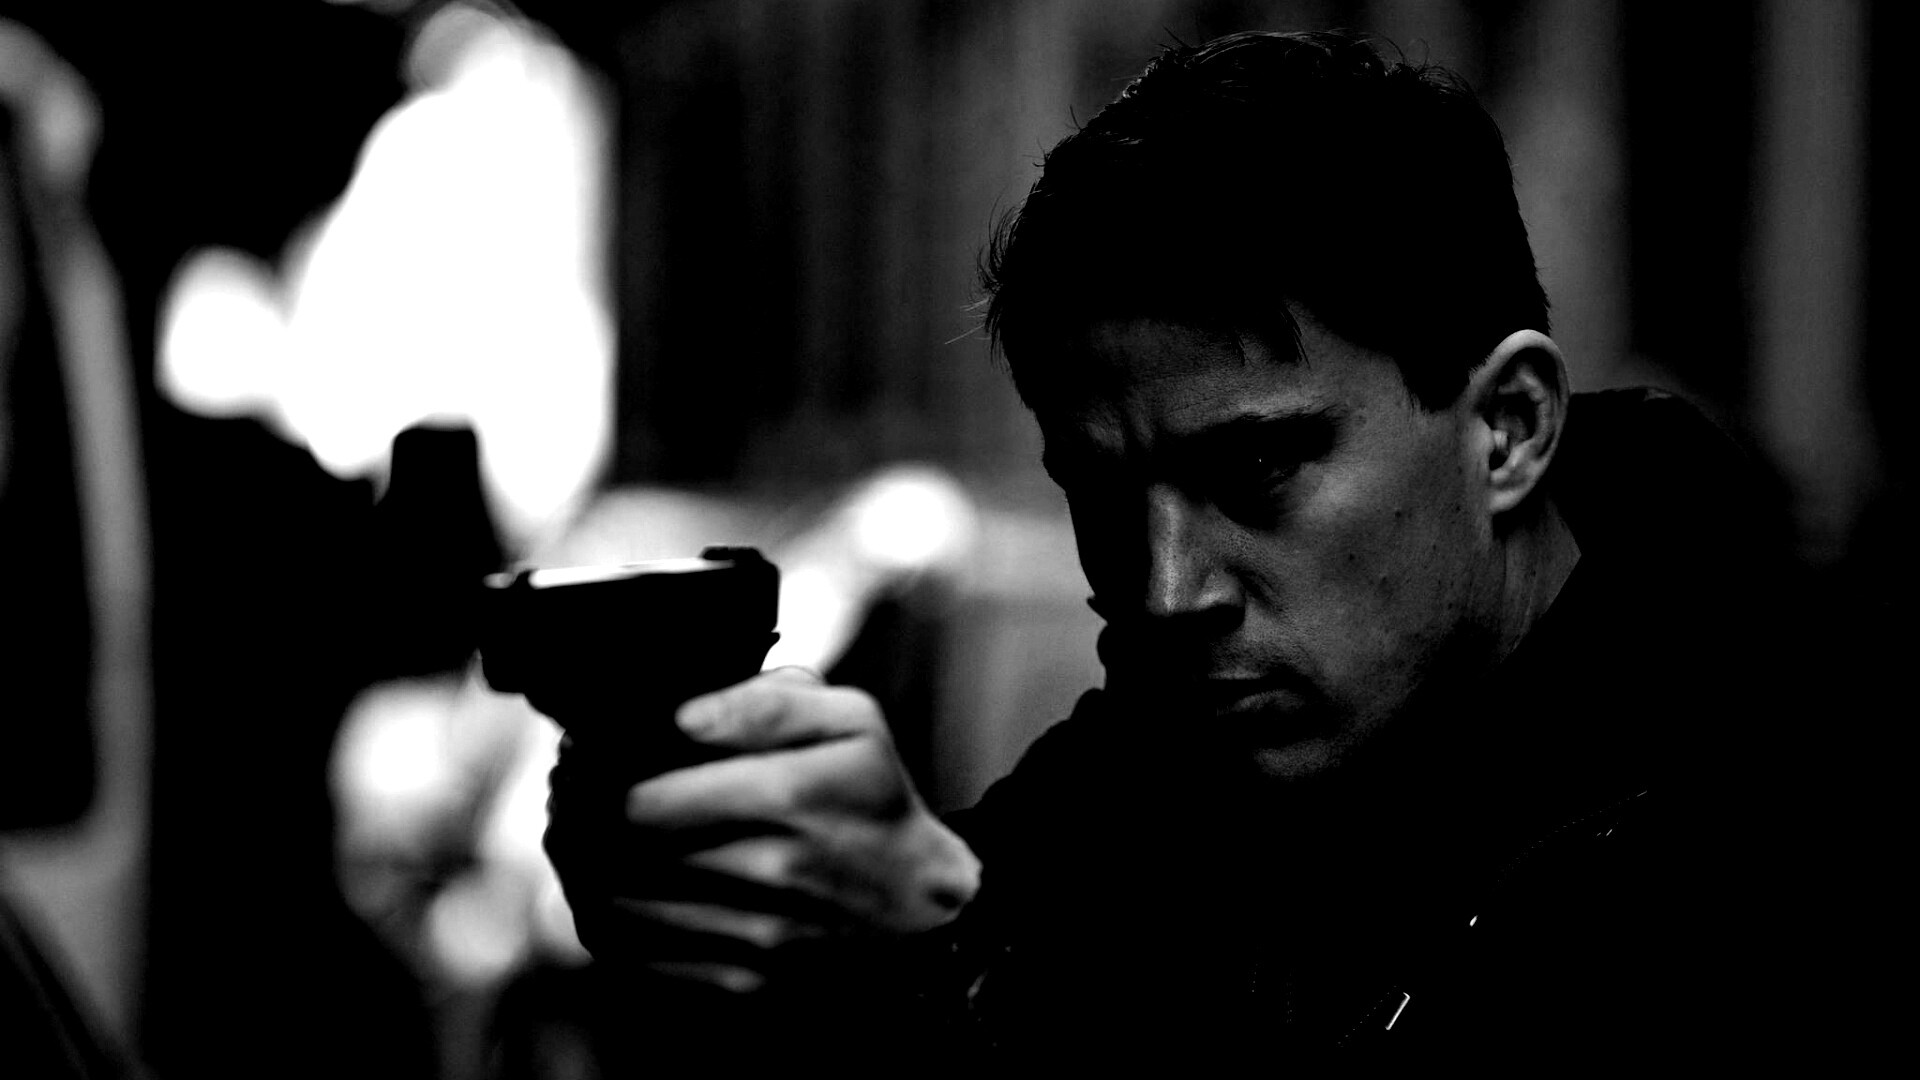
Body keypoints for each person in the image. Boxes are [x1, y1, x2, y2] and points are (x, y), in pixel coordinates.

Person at [543, 30, 1841, 1068]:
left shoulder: (1780, 813)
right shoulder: (1157, 757)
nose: (1167, 591)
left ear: (1506, 428)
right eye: (1101, 495)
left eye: (1256, 470)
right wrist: (768, 932)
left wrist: (949, 947)